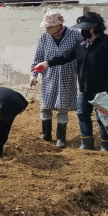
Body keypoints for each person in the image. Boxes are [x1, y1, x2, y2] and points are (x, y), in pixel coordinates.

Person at [32, 12, 108, 151]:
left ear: (93, 28)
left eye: (85, 28)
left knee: (102, 117)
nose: (82, 31)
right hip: (84, 87)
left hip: (103, 87)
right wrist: (47, 63)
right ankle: (86, 143)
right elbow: (66, 56)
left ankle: (105, 144)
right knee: (82, 114)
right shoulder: (81, 43)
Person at [29, 11, 82, 148]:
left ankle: (61, 138)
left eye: (49, 27)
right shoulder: (44, 37)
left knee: (63, 107)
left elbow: (80, 56)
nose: (46, 29)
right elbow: (39, 56)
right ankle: (46, 134)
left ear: (58, 25)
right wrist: (34, 74)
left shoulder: (75, 35)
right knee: (46, 105)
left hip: (67, 75)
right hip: (49, 75)